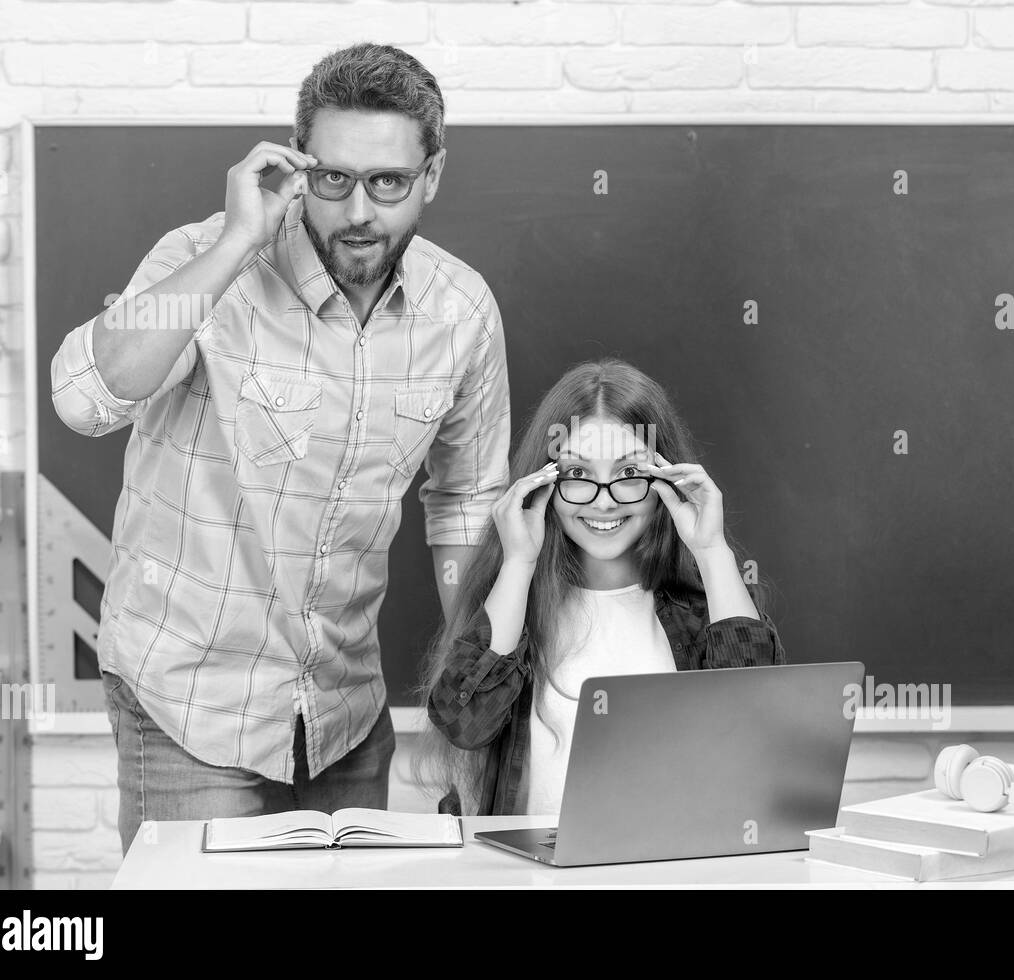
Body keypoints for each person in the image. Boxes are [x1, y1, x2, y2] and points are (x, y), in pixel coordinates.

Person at [49, 43, 510, 854]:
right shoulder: (203, 260)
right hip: (189, 705)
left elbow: (466, 500)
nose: (358, 212)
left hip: (343, 713)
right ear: (299, 167)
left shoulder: (462, 310)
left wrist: (473, 678)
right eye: (332, 179)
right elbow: (85, 400)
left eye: (388, 183)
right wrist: (233, 245)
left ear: (431, 175)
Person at [415, 359, 784, 816]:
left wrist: (711, 551)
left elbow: (757, 730)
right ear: (545, 482)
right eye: (578, 475)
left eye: (629, 475)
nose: (605, 498)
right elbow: (461, 723)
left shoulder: (705, 608)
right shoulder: (518, 604)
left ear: (665, 479)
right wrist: (518, 561)